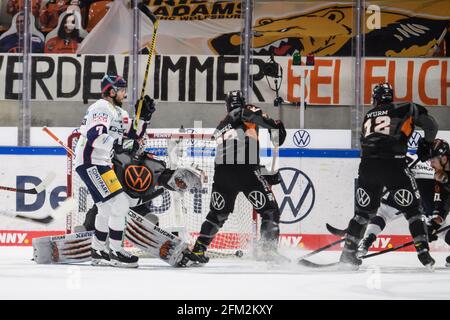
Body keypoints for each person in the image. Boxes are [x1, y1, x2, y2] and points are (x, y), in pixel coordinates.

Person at [340, 82, 439, 270]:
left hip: (367, 166)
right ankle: (423, 253)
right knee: (413, 210)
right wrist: (425, 145)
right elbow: (431, 124)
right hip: (394, 165)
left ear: (375, 99)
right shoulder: (405, 107)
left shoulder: (368, 115)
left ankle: (347, 255)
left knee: (362, 214)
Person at [185, 90, 287, 264]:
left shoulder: (221, 125)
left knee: (217, 214)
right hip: (246, 171)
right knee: (269, 210)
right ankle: (268, 251)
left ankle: (199, 249)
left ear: (226, 105)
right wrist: (274, 125)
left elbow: (235, 151)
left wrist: (264, 174)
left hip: (223, 175)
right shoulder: (245, 110)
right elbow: (258, 121)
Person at [74, 74, 155, 268]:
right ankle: (116, 252)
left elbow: (134, 136)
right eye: (121, 89)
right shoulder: (101, 107)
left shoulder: (118, 112)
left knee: (107, 207)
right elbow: (96, 136)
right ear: (111, 91)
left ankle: (98, 250)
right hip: (90, 161)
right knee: (119, 203)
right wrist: (120, 145)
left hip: (102, 163)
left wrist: (144, 118)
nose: (124, 93)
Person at [357, 153, 435, 257]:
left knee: (382, 214)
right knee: (435, 221)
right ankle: (367, 240)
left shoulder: (392, 155)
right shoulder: (420, 159)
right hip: (415, 195)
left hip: (406, 193)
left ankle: (367, 240)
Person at [426, 139, 450, 266]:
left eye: (433, 161)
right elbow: (444, 203)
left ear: (444, 159)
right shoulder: (440, 175)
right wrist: (435, 224)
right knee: (440, 228)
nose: (431, 165)